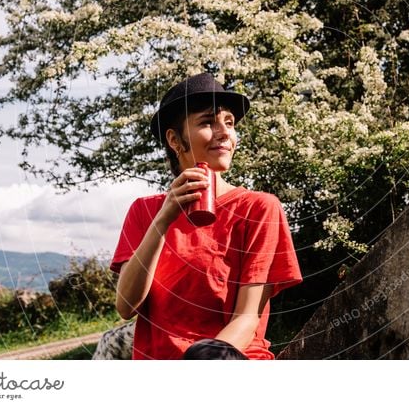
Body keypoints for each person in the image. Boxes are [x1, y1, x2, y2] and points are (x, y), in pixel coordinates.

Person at [109, 71, 303, 360]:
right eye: (208, 122)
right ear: (175, 140)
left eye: (230, 123)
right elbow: (126, 307)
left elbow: (247, 319)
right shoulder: (145, 211)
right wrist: (163, 219)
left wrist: (200, 362)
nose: (225, 133)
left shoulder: (259, 208)